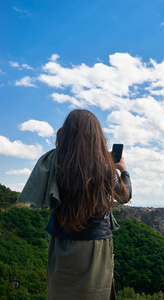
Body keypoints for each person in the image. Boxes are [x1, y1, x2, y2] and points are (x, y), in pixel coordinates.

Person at [18, 109, 132, 299]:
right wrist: (123, 170)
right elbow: (124, 196)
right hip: (95, 246)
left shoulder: (53, 161)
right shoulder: (103, 166)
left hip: (60, 244)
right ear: (96, 135)